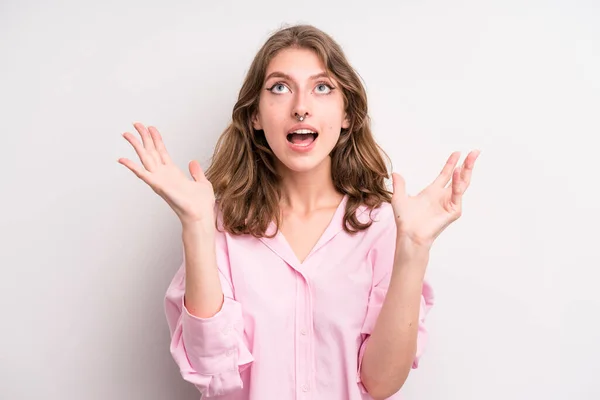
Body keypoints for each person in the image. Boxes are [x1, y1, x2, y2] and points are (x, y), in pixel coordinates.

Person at [118, 24, 479, 400]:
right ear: (255, 115)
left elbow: (382, 382)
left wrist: (414, 248)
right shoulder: (219, 227)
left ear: (347, 116)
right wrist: (196, 226)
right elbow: (213, 374)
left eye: (322, 87)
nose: (301, 107)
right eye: (279, 87)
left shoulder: (386, 226)